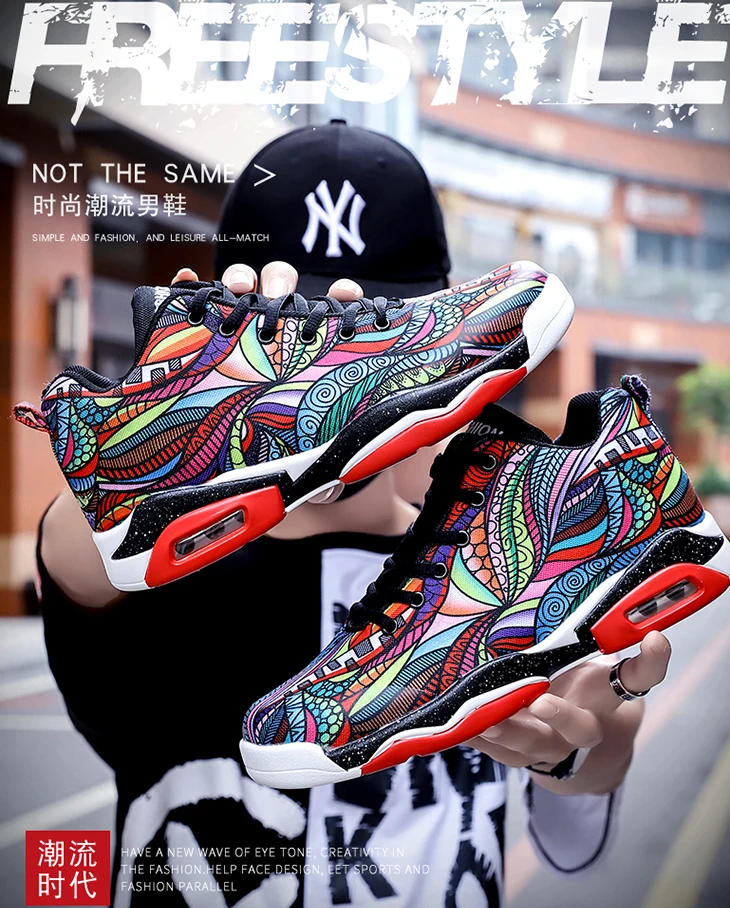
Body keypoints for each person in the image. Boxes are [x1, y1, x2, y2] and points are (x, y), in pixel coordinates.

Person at [37, 121, 671, 908]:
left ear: (442, 348)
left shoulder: (502, 563)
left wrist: (593, 745)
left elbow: (572, 842)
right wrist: (172, 427)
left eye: (369, 335)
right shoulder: (149, 564)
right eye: (302, 334)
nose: (333, 379)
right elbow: (78, 542)